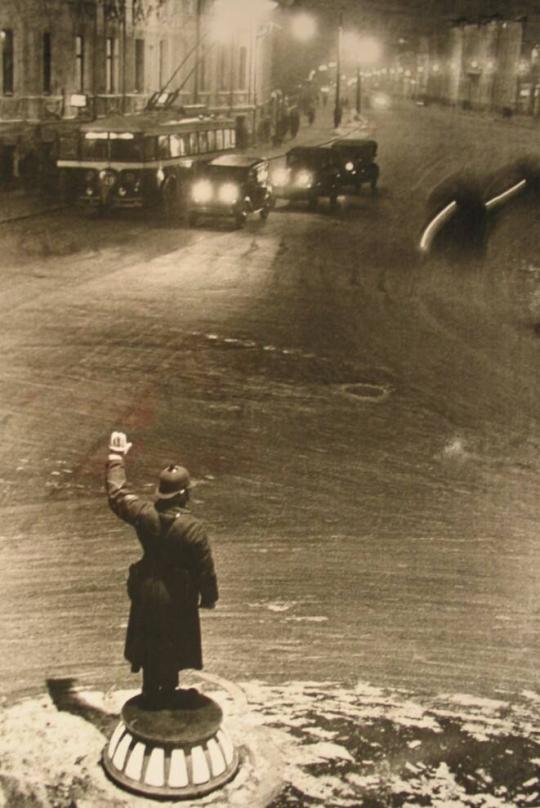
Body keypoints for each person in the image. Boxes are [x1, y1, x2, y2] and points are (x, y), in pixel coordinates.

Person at [105, 431, 218, 707]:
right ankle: (166, 697)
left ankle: (149, 693)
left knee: (149, 644)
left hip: (145, 590)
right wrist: (209, 597)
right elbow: (205, 569)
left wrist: (116, 457)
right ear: (184, 494)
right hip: (177, 597)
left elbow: (117, 494)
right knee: (171, 648)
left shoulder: (145, 514)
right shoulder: (193, 528)